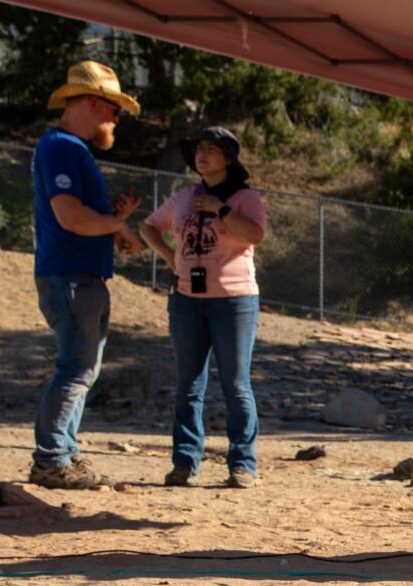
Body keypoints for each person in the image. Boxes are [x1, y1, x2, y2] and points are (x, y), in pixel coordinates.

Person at [28, 61, 144, 489]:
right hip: (71, 276)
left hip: (79, 274)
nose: (117, 120)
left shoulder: (70, 148)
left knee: (82, 368)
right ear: (96, 102)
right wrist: (115, 225)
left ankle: (64, 455)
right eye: (115, 110)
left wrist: (116, 221)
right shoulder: (62, 147)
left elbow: (79, 218)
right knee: (77, 368)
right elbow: (71, 217)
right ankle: (52, 459)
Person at [140, 126, 268, 488]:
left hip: (234, 301)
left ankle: (242, 464)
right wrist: (171, 257)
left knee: (236, 385)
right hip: (186, 301)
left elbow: (255, 234)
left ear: (228, 158)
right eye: (199, 149)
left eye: (212, 149)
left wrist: (220, 208)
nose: (203, 154)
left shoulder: (246, 198)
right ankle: (184, 463)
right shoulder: (182, 198)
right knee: (188, 385)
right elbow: (149, 226)